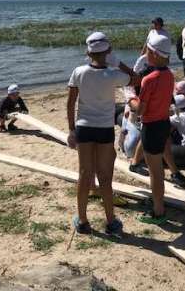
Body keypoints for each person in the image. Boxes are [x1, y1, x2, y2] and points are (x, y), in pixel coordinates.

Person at [67, 32, 131, 236]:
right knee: (104, 176)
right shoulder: (113, 74)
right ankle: (111, 221)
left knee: (84, 173)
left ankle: (82, 221)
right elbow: (135, 78)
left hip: (84, 127)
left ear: (88, 52)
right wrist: (118, 62)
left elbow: (70, 103)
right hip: (104, 129)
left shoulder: (78, 72)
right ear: (108, 51)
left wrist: (71, 130)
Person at [129, 33, 185, 224]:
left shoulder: (149, 79)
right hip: (163, 124)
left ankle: (158, 211)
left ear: (154, 53)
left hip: (151, 127)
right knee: (158, 170)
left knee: (155, 172)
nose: (146, 54)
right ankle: (158, 204)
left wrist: (130, 99)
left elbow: (141, 110)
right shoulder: (169, 75)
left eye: (148, 51)